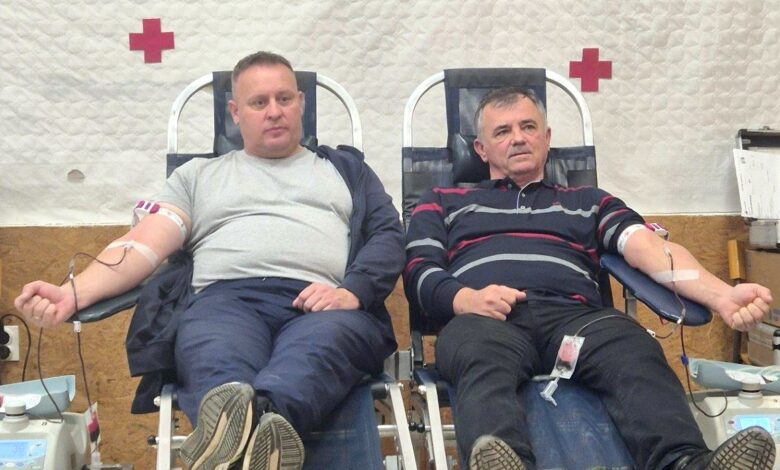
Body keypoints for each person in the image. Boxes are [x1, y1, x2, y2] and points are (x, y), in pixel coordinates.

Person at [15, 51, 404, 470]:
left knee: (316, 352)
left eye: (284, 98)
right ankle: (263, 438)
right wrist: (72, 294)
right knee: (216, 358)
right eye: (259, 102)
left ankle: (239, 441)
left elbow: (387, 235)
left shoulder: (347, 171)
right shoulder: (197, 177)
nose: (274, 111)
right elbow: (143, 244)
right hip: (226, 303)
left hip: (321, 304)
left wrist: (352, 292)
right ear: (235, 113)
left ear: (301, 103)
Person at [403, 86, 775, 470]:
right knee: (479, 353)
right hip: (487, 319)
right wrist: (466, 299)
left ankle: (686, 463)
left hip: (576, 324)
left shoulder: (589, 202)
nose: (518, 138)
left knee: (632, 346)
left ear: (547, 138)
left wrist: (721, 295)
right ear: (480, 150)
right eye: (502, 131)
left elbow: (648, 248)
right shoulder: (443, 201)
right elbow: (418, 270)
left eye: (528, 127)